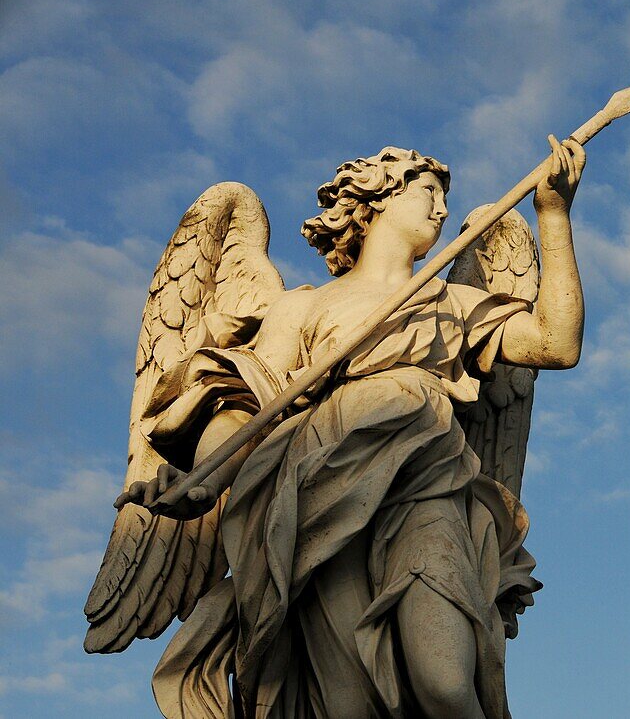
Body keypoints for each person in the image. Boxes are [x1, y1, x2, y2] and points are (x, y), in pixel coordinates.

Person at [116, 137, 586, 718]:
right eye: (429, 192)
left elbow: (556, 343)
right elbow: (246, 405)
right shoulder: (303, 308)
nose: (441, 209)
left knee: (445, 686)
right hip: (318, 492)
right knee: (346, 702)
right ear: (379, 198)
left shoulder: (452, 299)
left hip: (426, 485)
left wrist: (553, 215)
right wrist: (204, 485)